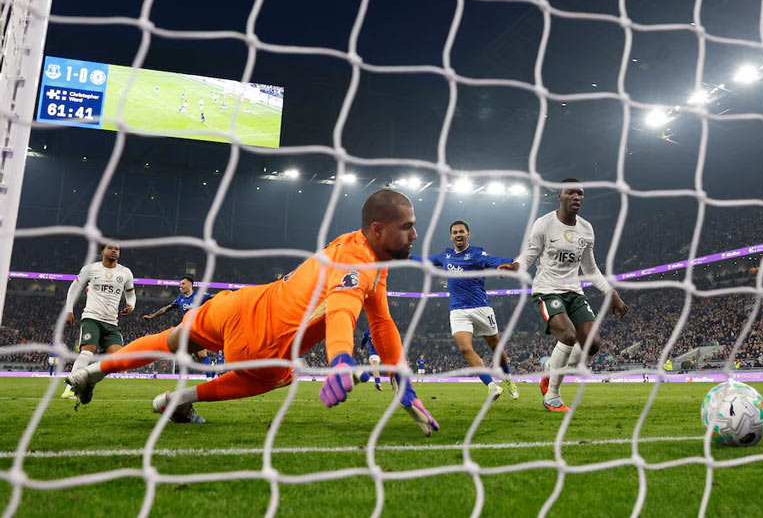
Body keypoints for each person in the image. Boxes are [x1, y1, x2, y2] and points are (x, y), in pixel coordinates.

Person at [66, 190, 439, 435]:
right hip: (262, 344)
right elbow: (342, 309)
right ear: (377, 229)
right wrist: (341, 359)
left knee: (171, 340)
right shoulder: (358, 262)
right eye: (407, 227)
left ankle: (90, 373)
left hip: (239, 303)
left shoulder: (361, 251)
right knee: (282, 376)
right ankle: (178, 400)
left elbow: (381, 321)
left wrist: (401, 377)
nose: (415, 235)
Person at [499, 179, 628, 412]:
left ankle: (550, 372)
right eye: (571, 193)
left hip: (574, 292)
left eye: (580, 193)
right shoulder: (544, 224)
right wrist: (515, 266)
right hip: (547, 290)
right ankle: (552, 396)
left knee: (592, 344)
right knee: (568, 336)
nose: (576, 197)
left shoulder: (586, 229)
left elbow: (590, 268)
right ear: (559, 195)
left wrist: (611, 292)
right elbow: (529, 255)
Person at [412, 220, 519, 401]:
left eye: (461, 231)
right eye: (455, 232)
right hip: (458, 310)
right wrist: (404, 255)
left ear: (468, 234)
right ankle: (492, 385)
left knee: (496, 348)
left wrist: (516, 261)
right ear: (451, 236)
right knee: (464, 348)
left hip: (481, 308)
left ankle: (508, 378)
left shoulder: (477, 254)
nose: (458, 234)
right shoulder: (446, 256)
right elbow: (425, 260)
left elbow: (496, 261)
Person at [61, 243, 136, 400]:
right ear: (102, 251)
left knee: (118, 359)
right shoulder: (90, 269)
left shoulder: (125, 272)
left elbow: (130, 293)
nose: (114, 251)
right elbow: (74, 288)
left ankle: (87, 381)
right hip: (92, 318)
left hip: (112, 322)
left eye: (117, 249)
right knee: (87, 351)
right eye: (110, 248)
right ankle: (70, 389)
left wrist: (131, 305)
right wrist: (69, 310)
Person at [143, 276, 215, 378]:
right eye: (180, 284)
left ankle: (210, 379)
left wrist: (229, 295)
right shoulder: (180, 298)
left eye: (183, 283)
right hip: (187, 330)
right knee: (199, 357)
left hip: (198, 328)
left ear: (190, 284)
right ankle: (210, 367)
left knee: (202, 354)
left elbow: (213, 296)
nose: (181, 286)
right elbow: (167, 308)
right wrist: (152, 316)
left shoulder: (199, 295)